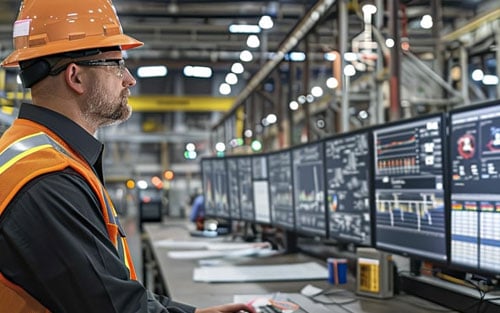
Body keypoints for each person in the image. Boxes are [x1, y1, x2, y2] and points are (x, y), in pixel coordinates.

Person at [0, 1, 255, 313]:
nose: (129, 79)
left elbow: (107, 287)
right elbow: (114, 307)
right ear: (75, 77)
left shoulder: (42, 154)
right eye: (116, 65)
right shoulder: (46, 181)